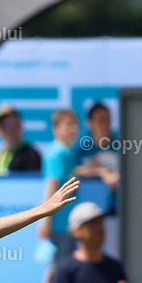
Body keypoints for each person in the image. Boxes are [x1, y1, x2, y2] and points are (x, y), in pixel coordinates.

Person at [39, 109, 83, 261]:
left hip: (68, 223)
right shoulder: (56, 153)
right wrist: (46, 222)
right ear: (56, 128)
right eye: (68, 125)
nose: (74, 129)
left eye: (75, 124)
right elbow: (52, 186)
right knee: (60, 270)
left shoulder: (66, 152)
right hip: (58, 224)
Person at [74, 102, 120, 210]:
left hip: (116, 209)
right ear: (90, 123)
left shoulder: (121, 147)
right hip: (88, 209)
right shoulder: (82, 149)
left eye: (107, 119)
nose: (104, 124)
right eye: (100, 120)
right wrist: (98, 171)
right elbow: (73, 171)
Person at [0, 104, 41, 176]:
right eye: (2, 126)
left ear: (20, 126)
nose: (9, 130)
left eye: (12, 125)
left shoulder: (31, 155)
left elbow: (33, 183)